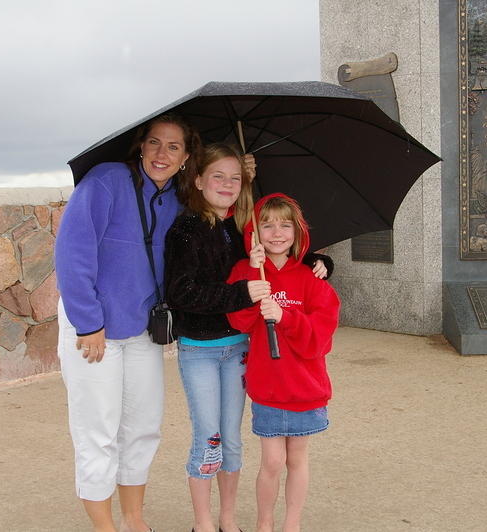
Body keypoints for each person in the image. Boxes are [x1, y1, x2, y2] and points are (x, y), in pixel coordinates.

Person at [165, 148, 330, 532]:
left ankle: (227, 519)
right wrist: (245, 292)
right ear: (199, 180)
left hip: (238, 349)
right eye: (217, 176)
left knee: (233, 441)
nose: (226, 184)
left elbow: (281, 245)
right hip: (202, 349)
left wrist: (319, 263)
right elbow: (184, 293)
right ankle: (203, 523)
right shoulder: (186, 229)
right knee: (210, 436)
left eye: (234, 178)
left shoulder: (239, 229)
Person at [55, 113, 201, 532]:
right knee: (97, 431)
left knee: (142, 427)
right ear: (140, 145)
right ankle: (106, 528)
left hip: (141, 330)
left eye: (174, 146)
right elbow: (72, 253)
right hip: (94, 328)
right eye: (154, 142)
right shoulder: (105, 181)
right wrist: (87, 323)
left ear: (186, 156)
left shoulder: (180, 197)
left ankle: (134, 520)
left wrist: (242, 176)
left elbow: (224, 218)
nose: (162, 153)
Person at [226, 193, 340, 532]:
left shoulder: (310, 277)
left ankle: (292, 524)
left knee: (296, 459)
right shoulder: (246, 271)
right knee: (272, 461)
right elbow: (239, 321)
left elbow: (321, 337)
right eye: (268, 225)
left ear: (298, 232)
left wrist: (285, 316)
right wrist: (252, 278)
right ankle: (265, 524)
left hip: (305, 384)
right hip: (269, 385)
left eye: (285, 225)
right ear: (254, 233)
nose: (277, 233)